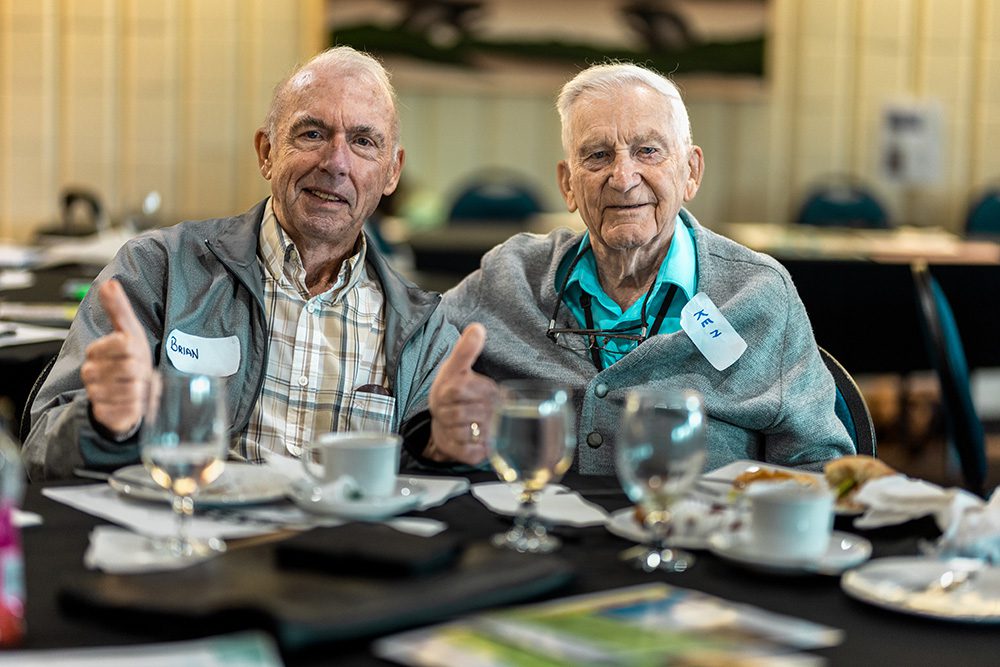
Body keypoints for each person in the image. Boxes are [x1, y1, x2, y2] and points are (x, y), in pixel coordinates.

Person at [23, 46, 456, 480]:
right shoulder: (158, 270)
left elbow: (438, 484)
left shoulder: (425, 331)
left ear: (391, 172)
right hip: (187, 532)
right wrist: (105, 423)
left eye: (363, 142)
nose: (336, 163)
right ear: (266, 152)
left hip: (341, 546)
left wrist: (448, 449)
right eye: (311, 134)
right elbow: (41, 447)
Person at [415, 62, 856, 474]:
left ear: (691, 172)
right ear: (568, 184)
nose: (624, 178)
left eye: (648, 151)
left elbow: (819, 462)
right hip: (542, 542)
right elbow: (413, 365)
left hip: (698, 542)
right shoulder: (511, 277)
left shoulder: (759, 294)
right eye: (598, 156)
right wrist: (435, 434)